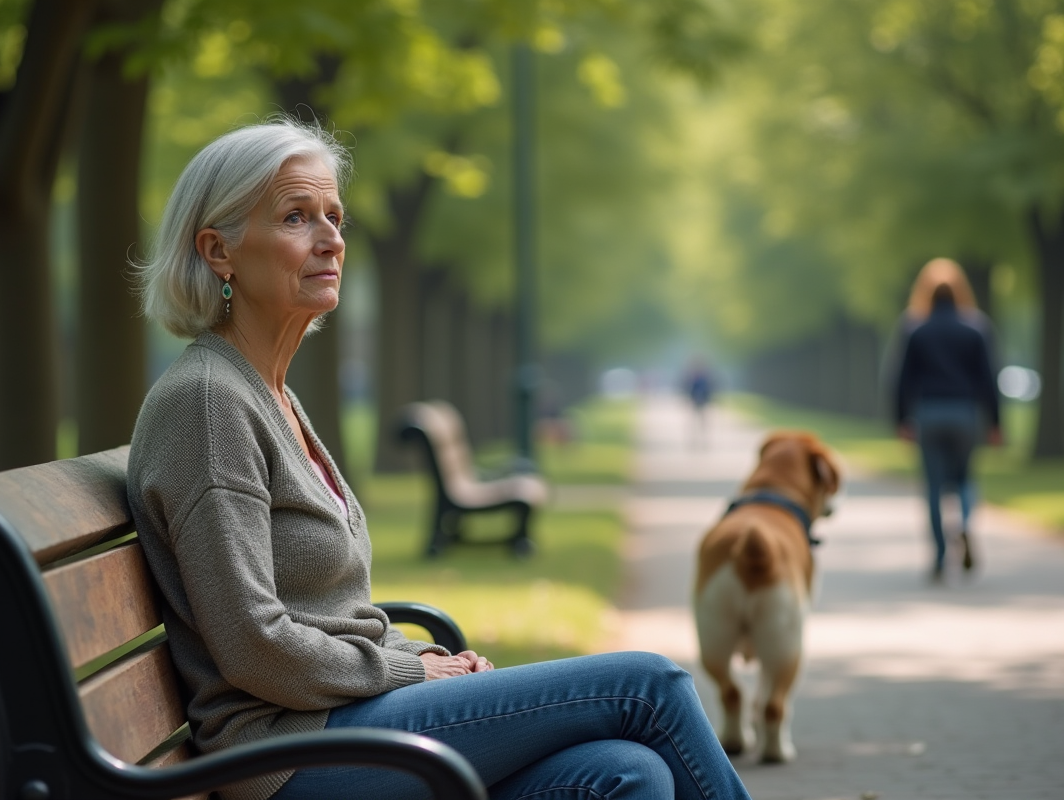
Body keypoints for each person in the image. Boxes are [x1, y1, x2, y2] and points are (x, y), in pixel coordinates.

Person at [127, 119, 753, 800]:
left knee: (628, 776)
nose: (331, 237)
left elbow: (324, 614)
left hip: (340, 722)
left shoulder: (269, 394)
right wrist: (407, 674)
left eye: (335, 216)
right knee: (648, 687)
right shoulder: (211, 405)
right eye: (296, 216)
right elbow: (254, 641)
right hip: (286, 753)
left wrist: (413, 652)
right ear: (219, 251)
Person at [894, 259, 1002, 583]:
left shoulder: (915, 328)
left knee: (933, 486)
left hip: (928, 412)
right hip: (965, 413)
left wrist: (902, 418)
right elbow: (988, 378)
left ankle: (940, 556)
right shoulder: (976, 328)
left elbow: (901, 379)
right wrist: (995, 422)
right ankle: (966, 525)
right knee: (965, 478)